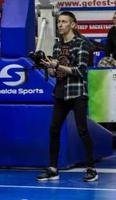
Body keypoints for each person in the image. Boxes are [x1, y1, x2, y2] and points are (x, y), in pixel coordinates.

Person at [36, 11, 97, 182]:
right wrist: (50, 68)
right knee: (53, 130)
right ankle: (53, 168)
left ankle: (91, 168)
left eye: (64, 22)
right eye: (59, 22)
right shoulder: (57, 45)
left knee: (82, 130)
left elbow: (80, 70)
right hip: (61, 91)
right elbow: (57, 72)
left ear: (73, 25)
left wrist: (58, 66)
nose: (60, 24)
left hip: (77, 92)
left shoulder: (81, 44)